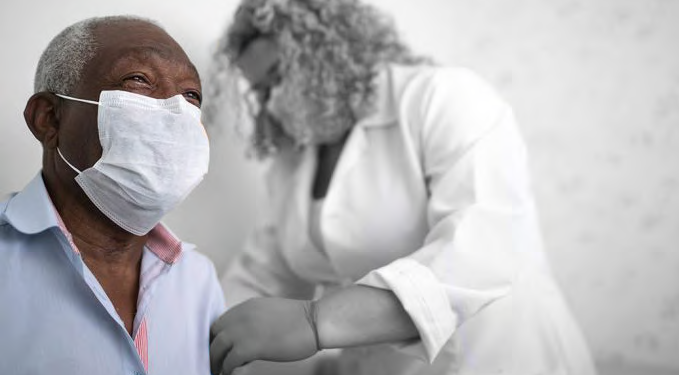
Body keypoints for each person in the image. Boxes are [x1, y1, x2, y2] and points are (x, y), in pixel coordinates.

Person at [208, 0, 598, 374]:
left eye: (278, 78)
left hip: (504, 354)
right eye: (259, 92)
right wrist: (199, 329)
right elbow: (263, 273)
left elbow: (481, 255)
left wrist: (314, 321)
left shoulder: (443, 98)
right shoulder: (292, 161)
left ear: (326, 54)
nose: (271, 106)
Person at [0, 16, 224, 375]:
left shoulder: (198, 280)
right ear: (49, 119)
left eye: (191, 95)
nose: (176, 112)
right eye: (138, 80)